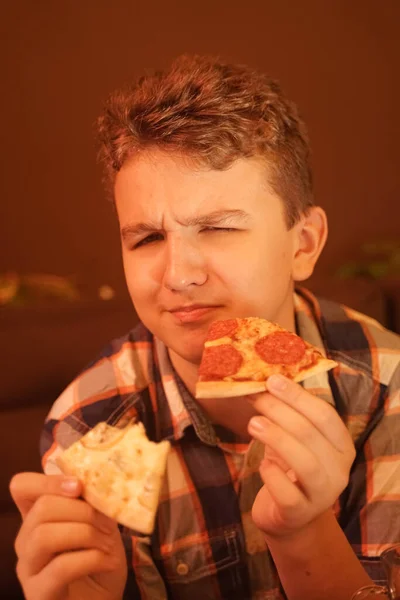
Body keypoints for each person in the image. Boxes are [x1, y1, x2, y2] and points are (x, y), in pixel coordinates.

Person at [10, 55, 400, 600]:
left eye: (218, 227)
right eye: (146, 238)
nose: (179, 275)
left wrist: (305, 533)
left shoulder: (390, 390)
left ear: (303, 244)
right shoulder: (87, 421)